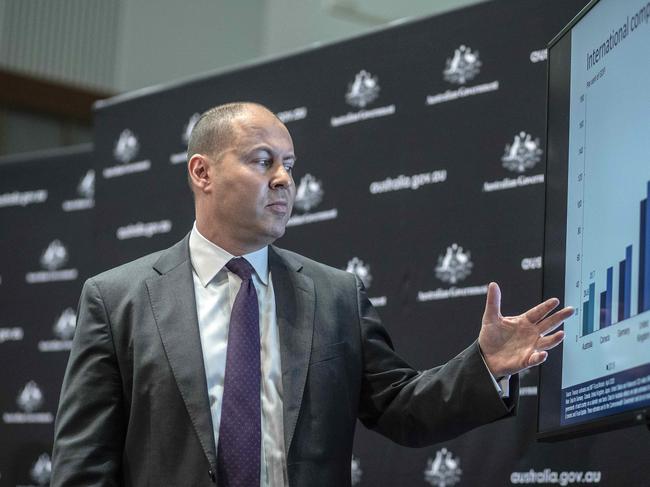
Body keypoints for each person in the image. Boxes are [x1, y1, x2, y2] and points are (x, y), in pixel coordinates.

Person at [51, 102, 572, 487]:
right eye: (262, 161)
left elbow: (400, 407)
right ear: (202, 172)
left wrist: (485, 366)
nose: (284, 179)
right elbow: (83, 465)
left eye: (290, 164)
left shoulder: (336, 295)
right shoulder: (116, 299)